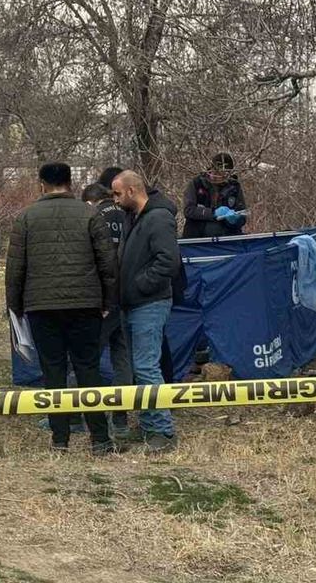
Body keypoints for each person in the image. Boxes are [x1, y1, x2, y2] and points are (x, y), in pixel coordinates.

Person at [6, 163, 119, 454]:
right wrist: (107, 301)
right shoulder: (90, 214)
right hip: (85, 304)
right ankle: (100, 439)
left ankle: (60, 439)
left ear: (42, 184)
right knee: (88, 368)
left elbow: (15, 267)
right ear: (70, 182)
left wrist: (15, 306)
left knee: (52, 371)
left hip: (41, 306)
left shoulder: (27, 217)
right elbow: (107, 263)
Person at [112, 170, 181, 453]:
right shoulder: (135, 218)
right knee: (141, 368)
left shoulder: (159, 218)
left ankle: (162, 431)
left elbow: (168, 262)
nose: (114, 200)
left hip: (149, 303)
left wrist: (140, 285)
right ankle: (149, 423)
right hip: (133, 303)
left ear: (131, 191)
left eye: (117, 193)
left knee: (146, 366)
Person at [82, 182, 133, 434]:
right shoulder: (128, 213)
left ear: (90, 202)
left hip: (103, 298)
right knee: (122, 357)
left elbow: (95, 260)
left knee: (86, 356)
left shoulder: (92, 217)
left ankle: (78, 415)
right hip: (129, 294)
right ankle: (121, 417)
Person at [182, 151, 248, 238]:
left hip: (227, 239)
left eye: (224, 173)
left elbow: (242, 216)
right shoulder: (197, 184)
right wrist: (213, 213)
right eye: (217, 172)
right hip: (198, 239)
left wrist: (235, 220)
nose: (220, 175)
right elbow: (188, 210)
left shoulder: (234, 187)